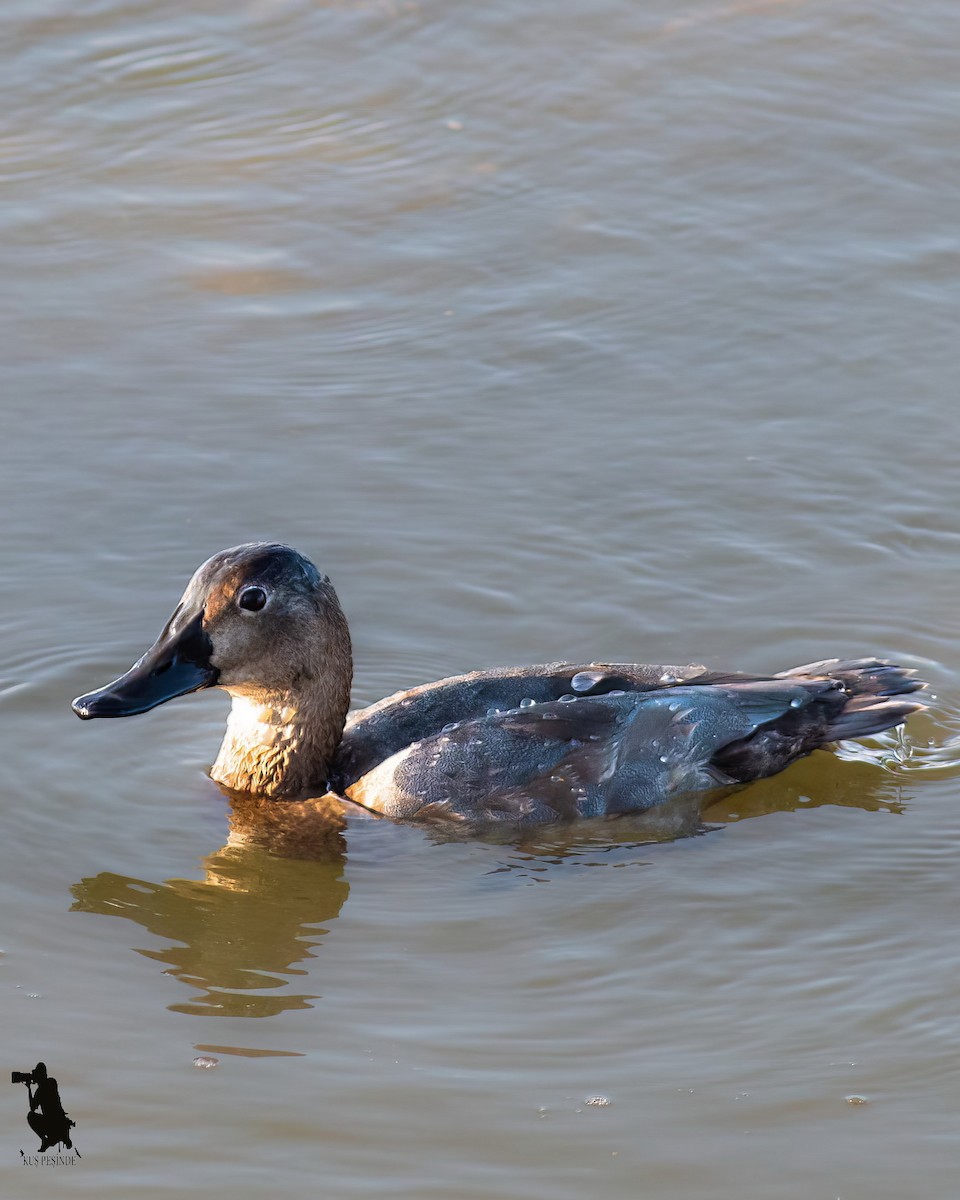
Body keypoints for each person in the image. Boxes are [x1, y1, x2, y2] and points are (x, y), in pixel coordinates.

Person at [26, 1063, 74, 1152]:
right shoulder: (51, 1082)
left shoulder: (45, 1087)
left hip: (53, 1121)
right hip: (57, 1120)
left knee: (30, 1116)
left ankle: (49, 1139)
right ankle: (59, 1137)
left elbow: (32, 1108)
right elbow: (33, 1107)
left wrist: (29, 1088)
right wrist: (30, 1088)